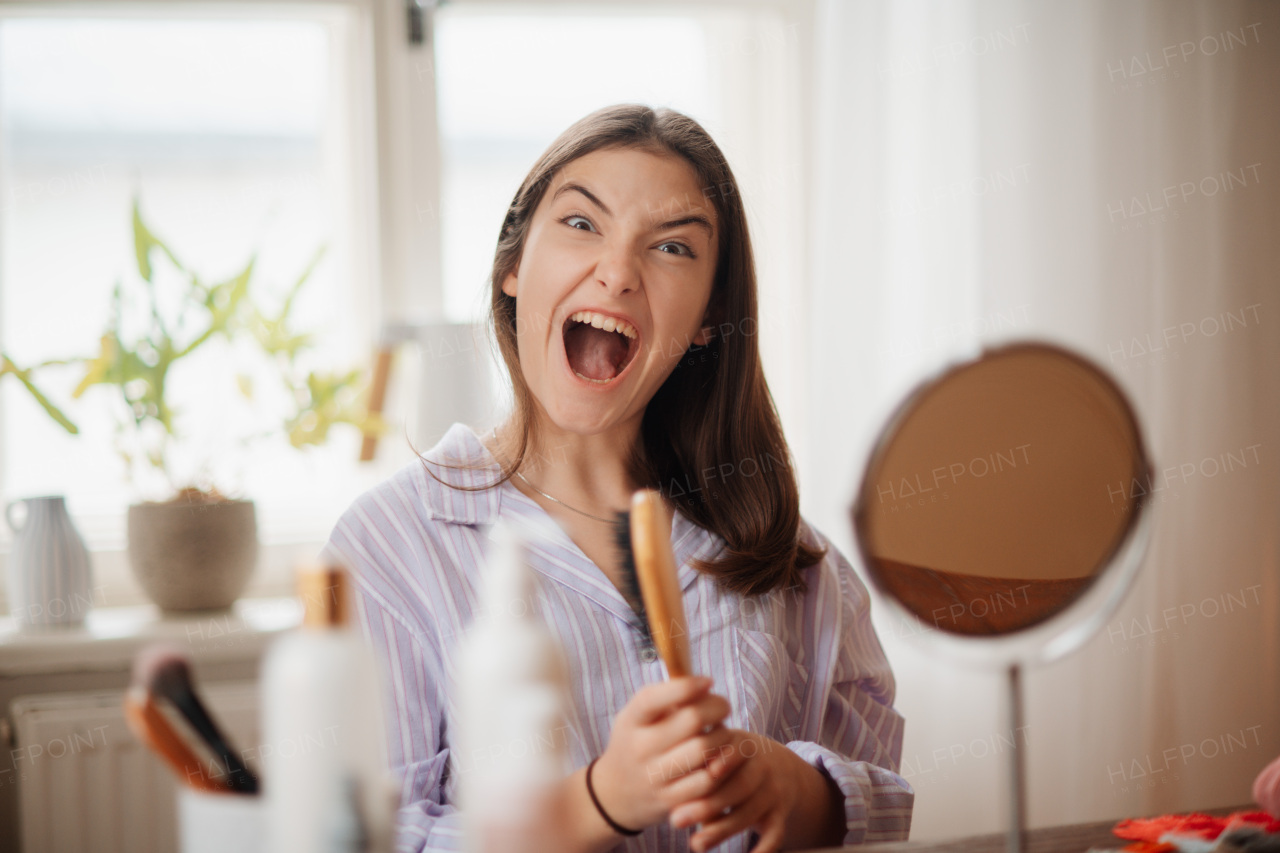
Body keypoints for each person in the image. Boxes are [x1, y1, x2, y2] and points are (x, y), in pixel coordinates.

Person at [322, 104, 913, 853]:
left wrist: (801, 791)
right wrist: (599, 800)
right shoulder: (386, 547)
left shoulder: (783, 551)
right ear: (513, 266)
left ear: (708, 317)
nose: (618, 271)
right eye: (580, 224)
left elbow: (882, 783)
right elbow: (366, 837)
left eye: (672, 247)